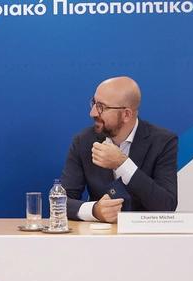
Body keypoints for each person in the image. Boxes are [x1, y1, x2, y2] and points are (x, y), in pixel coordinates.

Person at [60, 76, 178, 223]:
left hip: (145, 233)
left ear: (126, 115)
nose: (93, 113)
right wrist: (94, 210)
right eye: (94, 103)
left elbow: (167, 205)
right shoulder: (83, 141)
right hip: (100, 233)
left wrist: (122, 164)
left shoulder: (163, 141)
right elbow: (60, 202)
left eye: (101, 106)